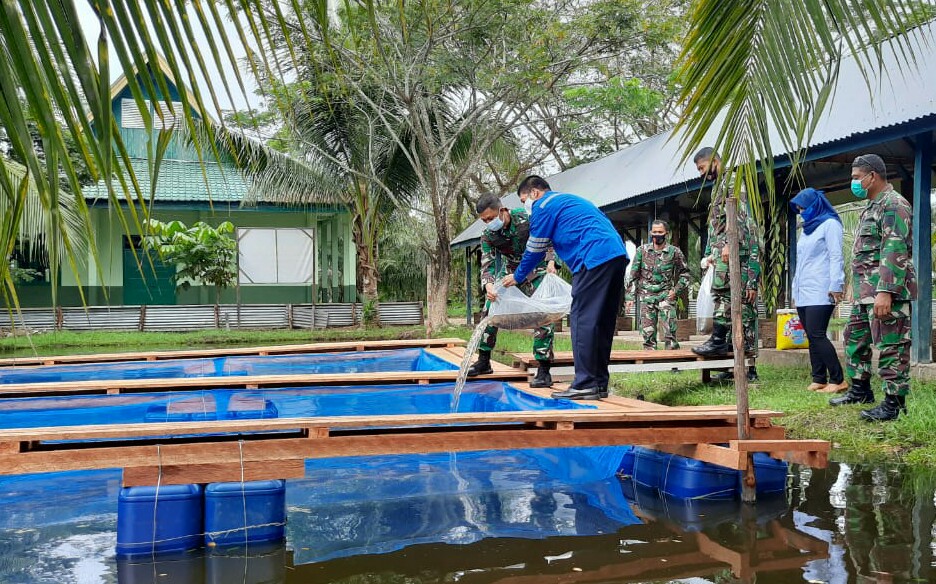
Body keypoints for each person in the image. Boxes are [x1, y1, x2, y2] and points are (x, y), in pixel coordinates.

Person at [503, 175, 628, 400]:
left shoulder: (543, 205)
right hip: (615, 255)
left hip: (593, 258)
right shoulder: (567, 201)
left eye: (524, 201)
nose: (525, 207)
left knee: (582, 319)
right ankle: (598, 383)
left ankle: (585, 384)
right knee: (601, 321)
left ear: (534, 193)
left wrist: (518, 276)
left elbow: (535, 248)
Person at [829, 154, 916, 422]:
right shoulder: (872, 206)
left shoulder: (893, 205)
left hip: (885, 292)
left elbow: (894, 249)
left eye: (856, 178)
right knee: (854, 340)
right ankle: (860, 389)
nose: (854, 183)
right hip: (866, 293)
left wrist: (885, 291)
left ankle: (893, 404)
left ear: (872, 176)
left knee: (892, 346)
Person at [467, 193, 557, 388]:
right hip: (510, 271)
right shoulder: (488, 235)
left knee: (542, 314)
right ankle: (484, 360)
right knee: (489, 310)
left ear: (502, 210)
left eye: (491, 218)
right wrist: (489, 285)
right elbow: (487, 262)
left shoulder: (527, 217)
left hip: (536, 268)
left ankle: (543, 369)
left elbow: (548, 236)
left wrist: (551, 261)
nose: (489, 223)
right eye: (484, 220)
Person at [692, 147, 762, 382]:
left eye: (702, 167)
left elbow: (739, 215)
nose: (701, 173)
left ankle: (723, 345)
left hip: (736, 253)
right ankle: (730, 359)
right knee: (726, 300)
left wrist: (731, 243)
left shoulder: (731, 180)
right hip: (724, 253)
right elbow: (717, 225)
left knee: (731, 301)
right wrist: (712, 251)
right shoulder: (717, 187)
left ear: (714, 161)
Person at [790, 187, 848, 393]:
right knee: (812, 335)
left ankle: (838, 379)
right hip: (804, 291)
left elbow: (836, 256)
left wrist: (836, 285)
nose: (801, 212)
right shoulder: (806, 231)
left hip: (822, 289)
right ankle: (819, 377)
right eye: (798, 209)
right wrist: (795, 290)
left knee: (817, 334)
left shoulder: (830, 225)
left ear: (815, 206)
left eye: (804, 207)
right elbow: (803, 262)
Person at [624, 220, 690, 350]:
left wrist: (675, 291)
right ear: (650, 233)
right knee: (648, 334)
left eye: (660, 232)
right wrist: (630, 298)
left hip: (666, 296)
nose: (657, 234)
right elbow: (633, 275)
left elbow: (685, 274)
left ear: (666, 233)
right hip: (646, 296)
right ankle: (650, 366)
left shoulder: (674, 252)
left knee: (670, 331)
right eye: (654, 232)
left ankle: (673, 364)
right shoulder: (642, 251)